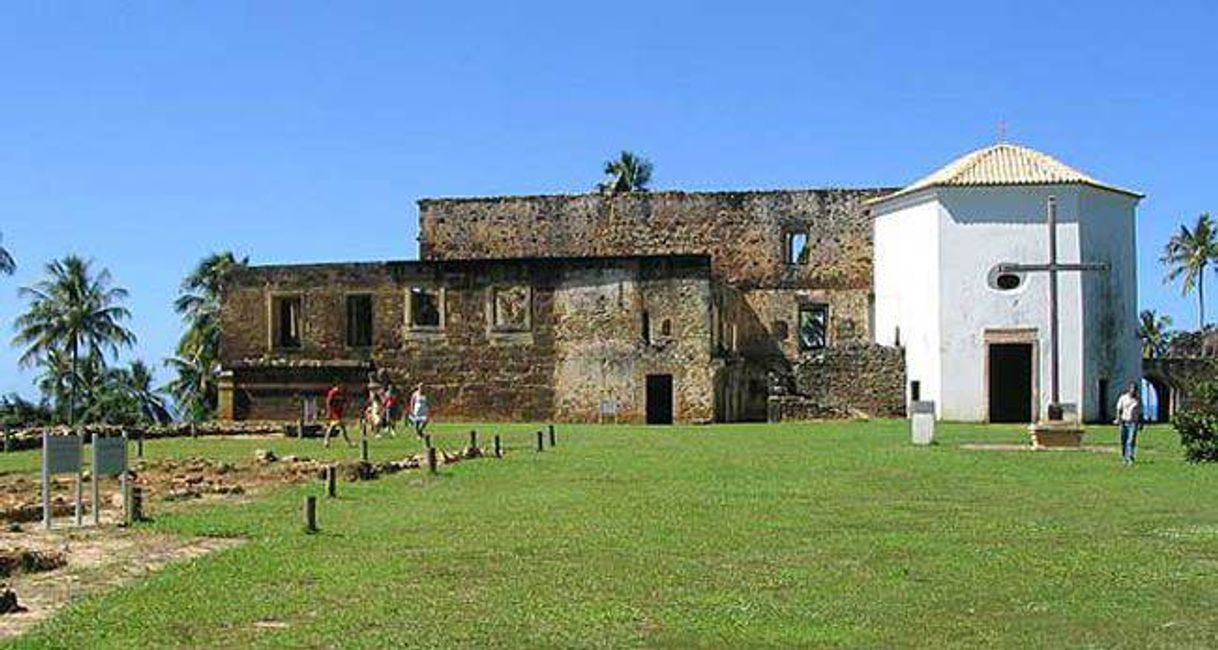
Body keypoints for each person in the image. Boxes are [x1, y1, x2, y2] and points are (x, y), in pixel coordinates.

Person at [1113, 382, 1143, 465]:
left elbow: (1141, 412)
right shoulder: (1123, 398)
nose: (1133, 390)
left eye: (1135, 389)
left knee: (1131, 440)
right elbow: (1119, 409)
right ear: (1129, 389)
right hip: (1124, 421)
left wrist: (1141, 423)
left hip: (1133, 422)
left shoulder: (1138, 400)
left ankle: (1130, 457)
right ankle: (1124, 457)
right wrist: (1118, 419)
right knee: (1123, 440)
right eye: (1132, 388)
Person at [323, 381, 353, 448]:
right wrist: (329, 412)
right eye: (341, 385)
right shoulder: (332, 392)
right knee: (335, 426)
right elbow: (328, 403)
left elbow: (344, 401)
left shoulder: (342, 392)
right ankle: (326, 441)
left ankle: (327, 441)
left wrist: (346, 408)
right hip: (333, 412)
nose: (342, 386)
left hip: (339, 412)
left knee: (341, 427)